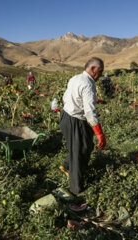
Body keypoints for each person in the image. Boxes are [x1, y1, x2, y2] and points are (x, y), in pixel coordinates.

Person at [59, 57, 106, 196]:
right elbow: (90, 113)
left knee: (85, 146)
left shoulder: (75, 78)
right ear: (92, 69)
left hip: (65, 116)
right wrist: (100, 134)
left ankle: (67, 165)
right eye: (100, 71)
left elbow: (65, 97)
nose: (101, 75)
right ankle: (76, 191)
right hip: (75, 121)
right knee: (78, 155)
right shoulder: (88, 84)